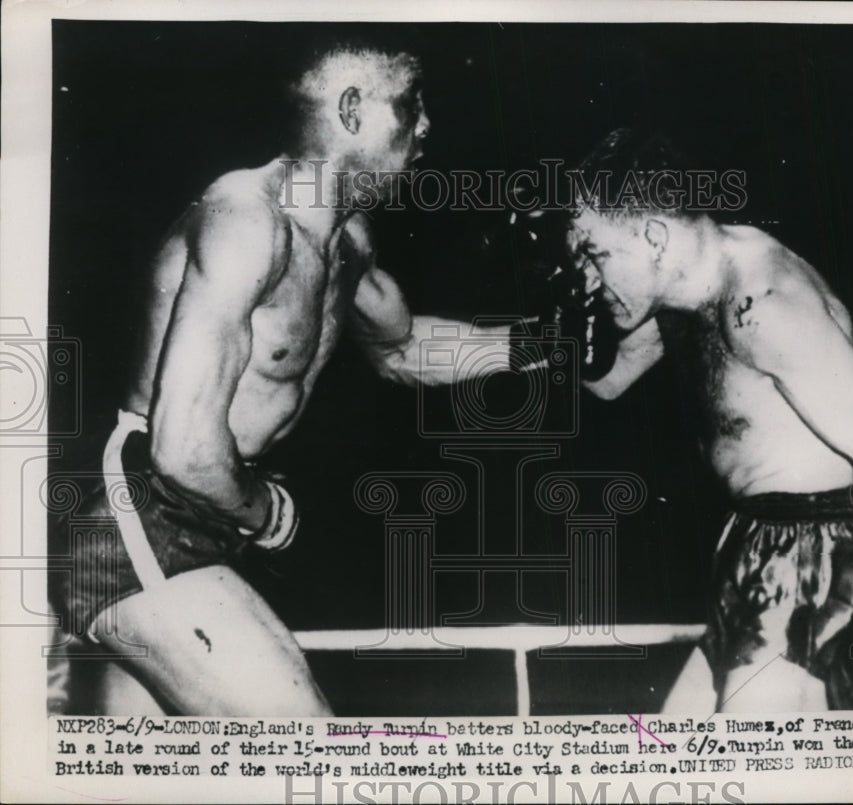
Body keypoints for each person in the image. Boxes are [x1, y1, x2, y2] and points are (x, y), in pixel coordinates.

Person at [53, 37, 522, 716]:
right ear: (352, 109)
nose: (426, 125)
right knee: (310, 752)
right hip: (143, 513)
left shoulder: (346, 242)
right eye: (410, 104)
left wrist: (549, 348)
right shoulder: (246, 217)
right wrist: (271, 514)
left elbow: (405, 347)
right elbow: (182, 449)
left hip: (208, 524)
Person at [564, 129, 853, 712]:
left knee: (741, 775)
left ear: (653, 235)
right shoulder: (678, 292)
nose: (588, 278)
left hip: (812, 556)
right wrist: (556, 319)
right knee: (670, 765)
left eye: (596, 254)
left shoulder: (761, 304)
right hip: (751, 544)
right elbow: (609, 379)